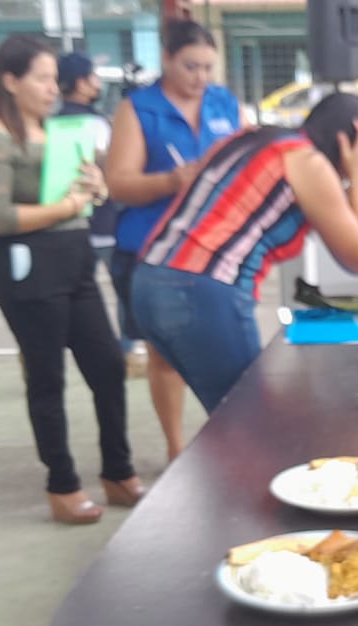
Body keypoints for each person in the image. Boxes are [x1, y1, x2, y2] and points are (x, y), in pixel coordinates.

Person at [0, 34, 143, 526]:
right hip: (27, 263)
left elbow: (89, 190)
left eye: (53, 79)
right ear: (11, 80)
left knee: (107, 366)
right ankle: (62, 484)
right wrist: (67, 206)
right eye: (42, 78)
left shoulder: (60, 129)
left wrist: (95, 185)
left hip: (75, 256)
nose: (52, 88)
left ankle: (118, 471)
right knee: (47, 376)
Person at [130, 93, 358, 413]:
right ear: (346, 142)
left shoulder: (253, 138)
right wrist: (357, 175)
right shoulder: (307, 161)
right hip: (201, 289)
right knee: (249, 421)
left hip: (148, 280)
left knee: (228, 418)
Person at [107, 19, 240, 461]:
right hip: (153, 251)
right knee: (164, 354)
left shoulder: (223, 103)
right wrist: (172, 180)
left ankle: (227, 443)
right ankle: (176, 448)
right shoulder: (138, 109)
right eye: (190, 66)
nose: (200, 77)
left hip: (214, 249)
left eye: (207, 67)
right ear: (166, 58)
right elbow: (119, 183)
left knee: (223, 347)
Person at [56, 53, 118, 272]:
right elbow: (108, 165)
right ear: (81, 84)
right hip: (102, 221)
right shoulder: (95, 123)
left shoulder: (52, 123)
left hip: (66, 220)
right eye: (94, 77)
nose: (98, 83)